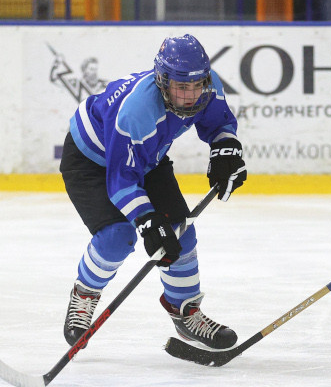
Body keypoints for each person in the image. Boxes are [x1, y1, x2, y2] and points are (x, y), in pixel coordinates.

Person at [59, 34, 247, 350]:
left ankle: (186, 313)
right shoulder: (135, 111)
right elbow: (122, 180)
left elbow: (219, 124)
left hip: (147, 158)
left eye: (196, 85)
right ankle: (85, 294)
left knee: (180, 232)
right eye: (180, 87)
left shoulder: (206, 84)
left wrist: (226, 147)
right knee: (118, 237)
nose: (190, 96)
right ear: (162, 82)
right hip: (91, 161)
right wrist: (146, 220)